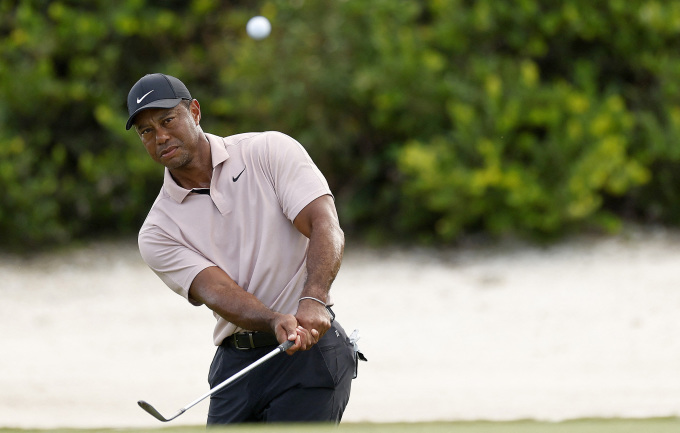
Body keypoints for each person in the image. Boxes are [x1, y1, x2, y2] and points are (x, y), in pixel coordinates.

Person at [125, 73, 356, 424]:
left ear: (195, 112)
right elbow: (217, 291)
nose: (160, 137)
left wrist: (314, 297)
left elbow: (324, 223)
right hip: (237, 363)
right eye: (146, 131)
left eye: (167, 120)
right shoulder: (158, 231)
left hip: (310, 355)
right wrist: (273, 319)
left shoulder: (267, 151)